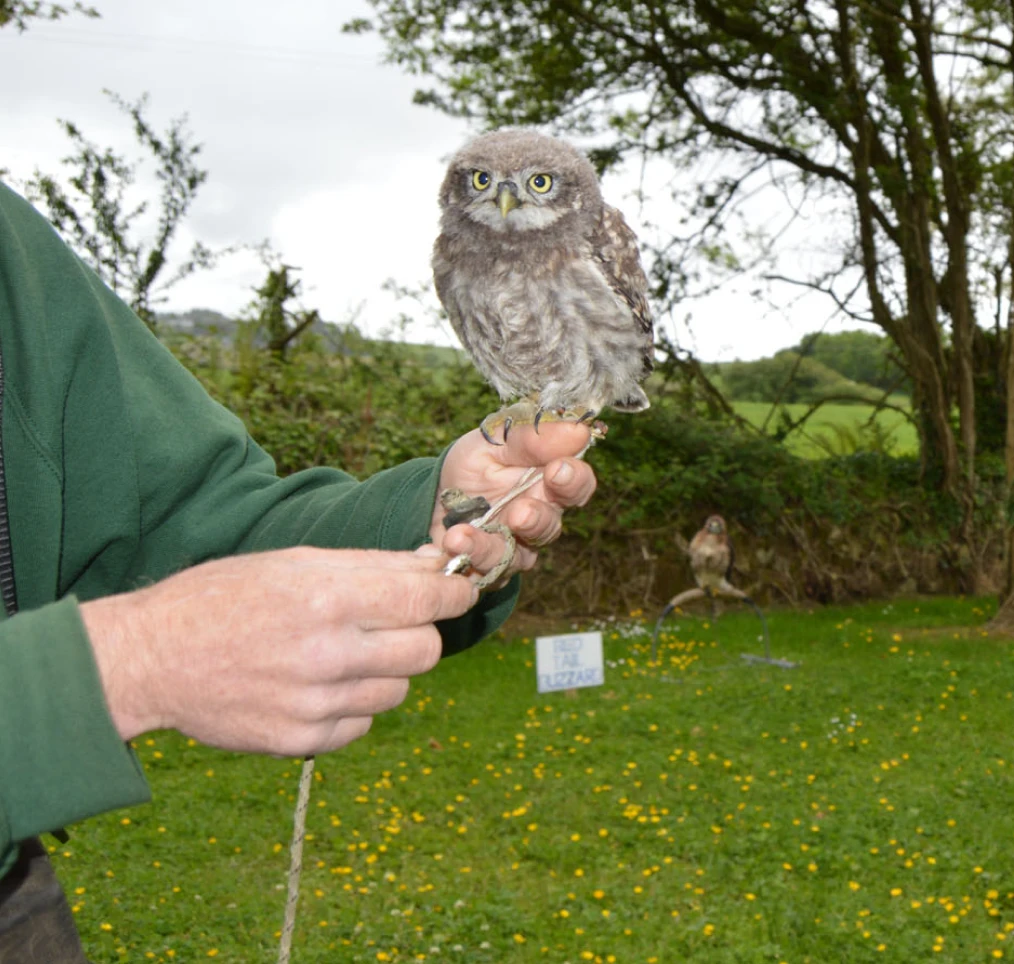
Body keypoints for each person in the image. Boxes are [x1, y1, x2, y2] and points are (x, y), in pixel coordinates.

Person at [0, 181, 599, 958]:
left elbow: (193, 519)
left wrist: (430, 514)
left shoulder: (13, 256)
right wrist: (121, 666)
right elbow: (147, 634)